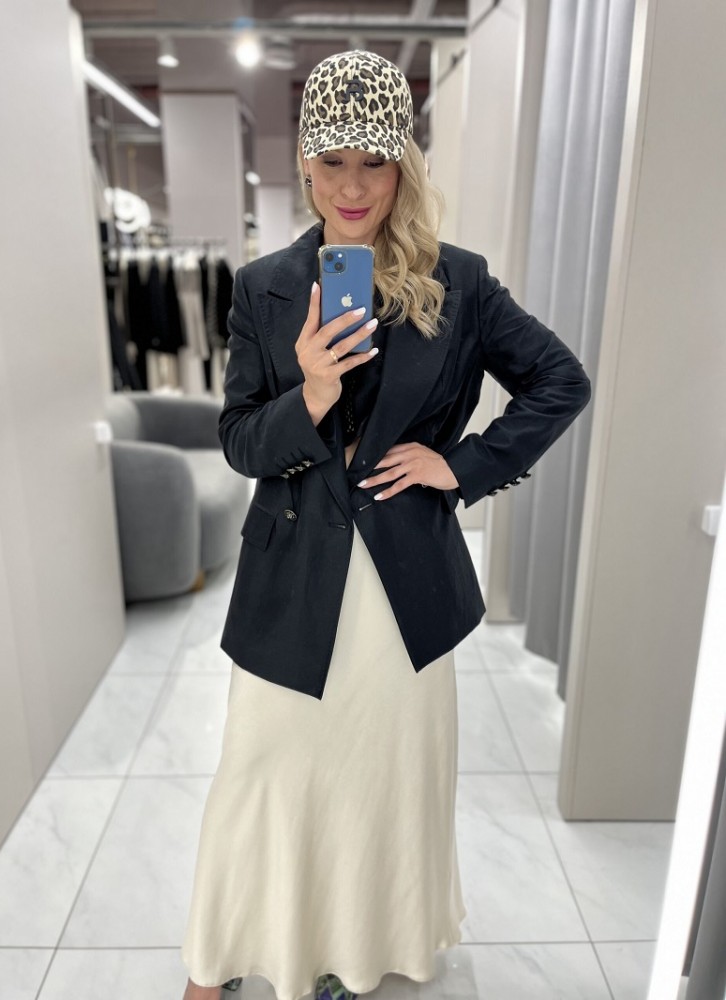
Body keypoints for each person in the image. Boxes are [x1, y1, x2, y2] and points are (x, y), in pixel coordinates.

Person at [180, 49, 591, 1000]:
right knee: (261, 770)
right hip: (293, 578)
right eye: (332, 161)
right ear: (305, 164)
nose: (353, 186)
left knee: (382, 783)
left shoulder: (462, 282)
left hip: (405, 584)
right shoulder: (262, 287)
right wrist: (313, 395)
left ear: (404, 163)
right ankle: (221, 956)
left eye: (375, 161)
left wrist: (465, 465)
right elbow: (240, 441)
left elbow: (559, 380)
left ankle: (357, 951)